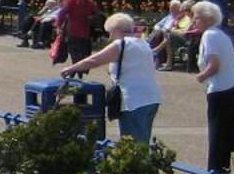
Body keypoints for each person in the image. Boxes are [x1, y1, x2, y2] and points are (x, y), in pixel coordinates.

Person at [63, 11, 162, 144]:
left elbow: (93, 61)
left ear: (116, 30)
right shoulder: (142, 43)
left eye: (110, 32)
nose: (110, 36)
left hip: (133, 100)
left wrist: (71, 68)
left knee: (132, 143)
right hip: (151, 98)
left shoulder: (121, 44)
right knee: (143, 138)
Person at [192, 0, 234, 174]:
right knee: (225, 130)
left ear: (207, 19)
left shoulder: (210, 35)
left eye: (197, 18)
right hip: (231, 86)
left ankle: (213, 171)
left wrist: (200, 77)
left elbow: (214, 64)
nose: (194, 21)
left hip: (220, 88)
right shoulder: (220, 34)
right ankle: (223, 168)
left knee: (216, 131)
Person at [58, 0, 102, 64]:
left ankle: (78, 70)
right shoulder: (72, 2)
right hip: (73, 32)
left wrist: (92, 18)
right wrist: (59, 26)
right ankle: (75, 69)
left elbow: (97, 14)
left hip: (85, 32)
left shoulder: (90, 3)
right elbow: (62, 14)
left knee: (84, 53)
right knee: (74, 53)